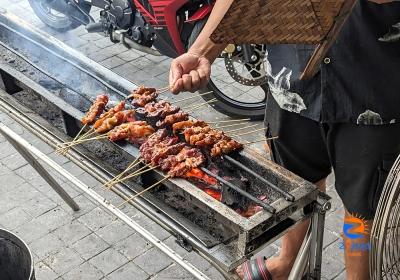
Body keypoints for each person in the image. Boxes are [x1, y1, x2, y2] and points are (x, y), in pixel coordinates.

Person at [169, 0, 400, 279]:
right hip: (291, 80)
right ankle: (287, 261)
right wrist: (203, 50)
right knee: (294, 183)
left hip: (371, 91)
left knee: (361, 211)